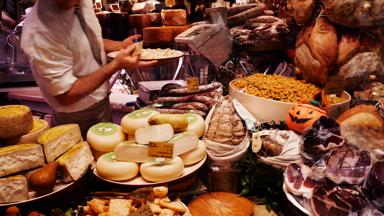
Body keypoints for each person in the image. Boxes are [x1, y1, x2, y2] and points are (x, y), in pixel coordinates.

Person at [21, 0, 157, 137]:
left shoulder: (79, 2)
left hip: (102, 103)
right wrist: (116, 65)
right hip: (76, 117)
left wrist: (118, 46)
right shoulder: (40, 31)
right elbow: (66, 95)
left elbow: (84, 39)